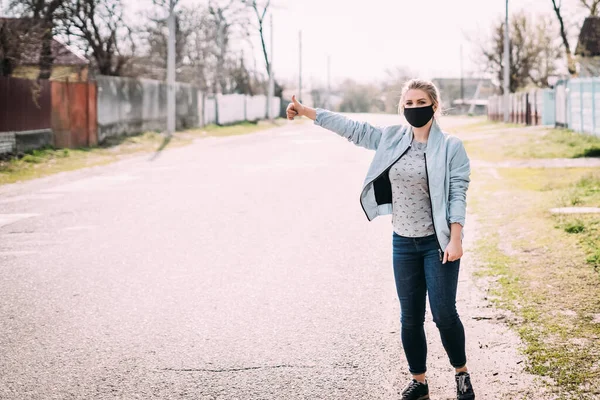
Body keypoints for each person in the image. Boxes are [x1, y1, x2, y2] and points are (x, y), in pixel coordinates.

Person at [286, 79, 474, 400]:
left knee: (443, 314)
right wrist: (308, 112)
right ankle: (420, 381)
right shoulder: (392, 138)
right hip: (403, 242)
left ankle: (461, 373)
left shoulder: (450, 147)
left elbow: (458, 192)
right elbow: (353, 129)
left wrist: (455, 238)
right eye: (409, 104)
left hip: (437, 243)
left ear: (434, 105)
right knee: (410, 317)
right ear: (402, 108)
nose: (415, 108)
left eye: (421, 102)